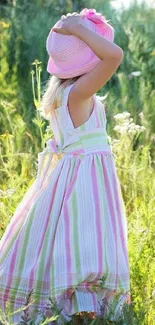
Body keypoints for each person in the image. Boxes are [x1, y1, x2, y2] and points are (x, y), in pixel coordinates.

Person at [0, 8, 131, 325]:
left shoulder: (65, 92)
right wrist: (77, 27)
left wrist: (76, 29)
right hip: (85, 177)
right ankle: (79, 305)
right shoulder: (79, 93)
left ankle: (69, 304)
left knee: (63, 236)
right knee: (85, 237)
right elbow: (115, 56)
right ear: (86, 60)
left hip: (73, 172)